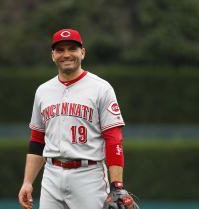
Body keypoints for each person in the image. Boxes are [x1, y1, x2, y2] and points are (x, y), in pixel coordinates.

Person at [18, 29, 129, 209]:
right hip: (51, 175)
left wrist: (117, 185)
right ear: (53, 55)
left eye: (72, 48)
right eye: (60, 50)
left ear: (82, 53)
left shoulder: (101, 88)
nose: (66, 54)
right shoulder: (43, 91)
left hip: (88, 176)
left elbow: (114, 138)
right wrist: (28, 182)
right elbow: (38, 139)